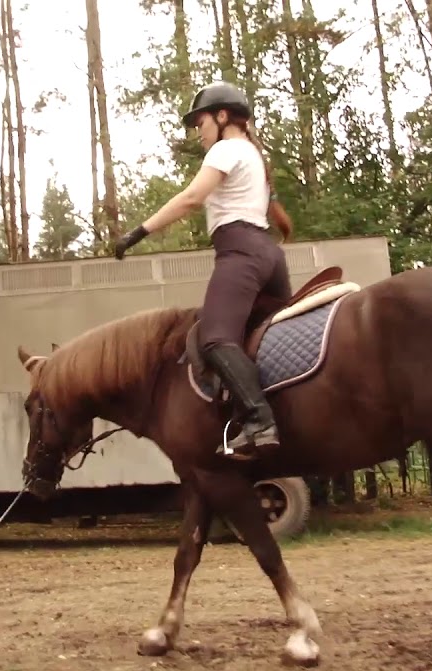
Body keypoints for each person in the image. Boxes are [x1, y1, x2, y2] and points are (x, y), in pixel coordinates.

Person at [112, 80, 295, 459]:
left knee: (214, 339)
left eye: (201, 123)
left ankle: (260, 421)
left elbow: (192, 198)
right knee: (263, 340)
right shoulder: (253, 155)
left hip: (242, 253)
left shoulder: (227, 149)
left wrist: (138, 232)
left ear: (223, 116)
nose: (199, 132)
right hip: (269, 255)